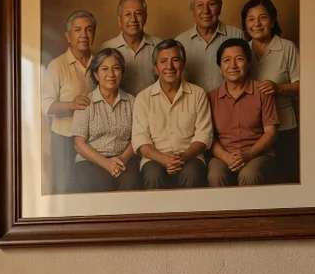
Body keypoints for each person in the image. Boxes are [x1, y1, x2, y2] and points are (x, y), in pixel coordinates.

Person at [131, 40, 212, 189]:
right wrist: (162, 158)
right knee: (152, 175)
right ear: (155, 68)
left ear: (183, 64)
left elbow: (204, 134)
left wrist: (184, 157)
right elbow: (140, 139)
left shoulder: (198, 94)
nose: (169, 67)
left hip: (190, 156)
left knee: (192, 174)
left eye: (175, 60)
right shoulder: (143, 98)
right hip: (154, 158)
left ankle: (188, 214)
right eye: (163, 61)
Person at [241, 0, 301, 182]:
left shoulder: (287, 48)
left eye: (263, 18)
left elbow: (304, 87)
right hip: (252, 131)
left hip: (284, 127)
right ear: (245, 23)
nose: (257, 24)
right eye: (251, 19)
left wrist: (279, 88)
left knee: (284, 178)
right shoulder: (242, 50)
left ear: (273, 21)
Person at [207, 38, 280, 187]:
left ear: (248, 64)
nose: (233, 65)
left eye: (239, 59)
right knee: (216, 176)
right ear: (220, 66)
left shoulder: (263, 92)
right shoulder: (211, 97)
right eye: (226, 60)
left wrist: (248, 154)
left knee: (249, 175)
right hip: (223, 155)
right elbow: (209, 137)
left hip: (258, 154)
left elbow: (271, 132)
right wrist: (226, 157)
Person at [68, 47, 139, 192]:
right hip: (91, 161)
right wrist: (106, 163)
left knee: (130, 182)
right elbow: (79, 143)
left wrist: (121, 160)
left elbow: (137, 138)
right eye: (104, 69)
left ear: (122, 72)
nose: (111, 74)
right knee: (101, 184)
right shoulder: (86, 102)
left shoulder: (132, 101)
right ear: (96, 74)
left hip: (123, 160)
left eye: (116, 68)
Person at [41, 10, 96, 193]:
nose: (84, 35)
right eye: (78, 30)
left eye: (88, 30)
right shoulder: (56, 65)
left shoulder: (100, 63)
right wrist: (71, 105)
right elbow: (46, 105)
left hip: (94, 139)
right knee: (64, 188)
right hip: (64, 138)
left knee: (89, 188)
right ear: (68, 36)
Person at [174, 0, 248, 93]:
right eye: (199, 5)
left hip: (229, 105)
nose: (206, 11)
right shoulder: (180, 42)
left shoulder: (237, 35)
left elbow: (248, 75)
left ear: (220, 7)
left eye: (212, 4)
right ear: (192, 10)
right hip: (194, 107)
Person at [99, 0, 161, 95]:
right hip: (119, 108)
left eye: (138, 14)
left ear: (145, 17)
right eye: (128, 14)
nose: (133, 19)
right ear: (119, 20)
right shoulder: (107, 47)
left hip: (151, 108)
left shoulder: (159, 46)